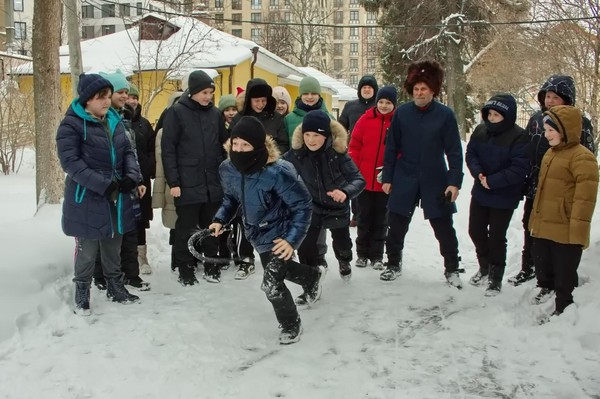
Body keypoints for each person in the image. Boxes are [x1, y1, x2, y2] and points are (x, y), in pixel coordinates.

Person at [209, 116, 326, 345]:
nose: (239, 150)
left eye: (246, 145)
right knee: (285, 271)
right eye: (235, 144)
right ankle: (312, 277)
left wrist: (291, 240)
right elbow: (231, 198)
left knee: (272, 282)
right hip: (257, 232)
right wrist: (220, 219)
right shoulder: (227, 168)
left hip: (282, 231)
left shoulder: (278, 171)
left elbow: (302, 206)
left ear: (258, 146)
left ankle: (291, 324)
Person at [56, 73, 141, 315]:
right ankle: (82, 290)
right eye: (100, 97)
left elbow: (127, 153)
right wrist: (103, 185)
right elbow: (71, 163)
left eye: (107, 96)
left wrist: (131, 177)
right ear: (86, 100)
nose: (106, 101)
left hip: (116, 195)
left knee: (114, 241)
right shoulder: (71, 124)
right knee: (88, 248)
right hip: (87, 196)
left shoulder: (114, 120)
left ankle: (115, 285)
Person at [380, 60, 464, 287]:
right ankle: (393, 263)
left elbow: (454, 152)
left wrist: (454, 182)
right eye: (416, 89)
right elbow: (391, 148)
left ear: (433, 90)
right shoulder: (402, 114)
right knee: (396, 223)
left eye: (424, 89)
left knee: (443, 226)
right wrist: (387, 177)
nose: (419, 93)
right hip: (404, 175)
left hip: (434, 177)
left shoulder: (445, 115)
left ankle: (452, 268)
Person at [508, 75, 596, 286]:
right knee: (531, 225)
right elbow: (525, 149)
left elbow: (587, 154)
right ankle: (529, 267)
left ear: (566, 99)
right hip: (536, 183)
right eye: (547, 96)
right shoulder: (537, 119)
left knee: (557, 233)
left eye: (555, 97)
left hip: (562, 188)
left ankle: (558, 275)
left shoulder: (580, 122)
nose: (549, 101)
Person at [284, 110, 365, 296]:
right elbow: (278, 170)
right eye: (307, 135)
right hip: (311, 208)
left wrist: (345, 192)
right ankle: (310, 285)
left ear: (326, 136)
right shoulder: (296, 155)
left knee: (342, 244)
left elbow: (358, 179)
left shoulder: (338, 154)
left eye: (316, 135)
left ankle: (344, 261)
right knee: (306, 248)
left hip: (336, 207)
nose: (311, 140)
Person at [528, 105, 598, 316]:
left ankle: (564, 306)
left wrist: (577, 233)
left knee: (564, 271)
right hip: (545, 222)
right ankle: (547, 287)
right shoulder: (550, 153)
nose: (546, 134)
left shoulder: (582, 157)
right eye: (545, 130)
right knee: (541, 259)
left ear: (566, 130)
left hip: (566, 227)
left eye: (551, 130)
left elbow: (585, 199)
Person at [162, 70, 229, 285]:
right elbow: (168, 149)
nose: (207, 96)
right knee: (186, 229)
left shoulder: (215, 114)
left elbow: (223, 144)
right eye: (203, 92)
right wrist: (174, 182)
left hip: (212, 183)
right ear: (192, 92)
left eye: (210, 92)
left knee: (212, 228)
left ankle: (211, 265)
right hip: (187, 183)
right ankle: (185, 267)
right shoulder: (176, 113)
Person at [465, 94, 529, 296]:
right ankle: (484, 266)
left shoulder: (519, 136)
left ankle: (495, 276)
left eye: (496, 115)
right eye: (489, 114)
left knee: (497, 237)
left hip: (504, 195)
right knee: (475, 230)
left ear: (507, 117)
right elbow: (471, 153)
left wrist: (493, 181)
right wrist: (478, 173)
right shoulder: (481, 130)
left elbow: (519, 169)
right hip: (481, 190)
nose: (491, 118)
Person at [92, 70, 149, 291]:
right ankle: (101, 275)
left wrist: (138, 179)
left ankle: (131, 274)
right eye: (121, 91)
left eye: (127, 92)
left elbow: (131, 153)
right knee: (105, 230)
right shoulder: (102, 118)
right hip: (107, 184)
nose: (125, 96)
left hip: (128, 184)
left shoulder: (125, 118)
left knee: (130, 230)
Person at [284, 75, 333, 267]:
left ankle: (319, 255)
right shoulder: (290, 119)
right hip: (295, 174)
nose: (310, 97)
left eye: (314, 93)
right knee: (297, 214)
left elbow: (335, 145)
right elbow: (282, 145)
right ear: (300, 94)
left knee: (317, 216)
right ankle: (301, 251)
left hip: (319, 175)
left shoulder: (328, 117)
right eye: (306, 93)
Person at [348, 86, 397, 270]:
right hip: (364, 180)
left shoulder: (397, 122)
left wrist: (391, 172)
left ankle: (377, 254)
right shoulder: (365, 119)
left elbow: (400, 150)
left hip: (384, 182)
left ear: (394, 104)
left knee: (381, 220)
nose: (384, 106)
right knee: (363, 217)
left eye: (388, 103)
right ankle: (362, 254)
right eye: (381, 102)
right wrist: (356, 169)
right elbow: (354, 144)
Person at [340, 75, 379, 228]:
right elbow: (341, 127)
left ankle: (376, 214)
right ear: (359, 90)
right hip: (354, 152)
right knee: (355, 182)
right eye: (364, 87)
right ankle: (356, 214)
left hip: (374, 152)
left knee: (374, 184)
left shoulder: (380, 105)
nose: (367, 90)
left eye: (370, 87)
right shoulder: (350, 106)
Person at [126, 83, 156, 276]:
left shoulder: (144, 124)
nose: (132, 101)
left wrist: (151, 166)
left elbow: (153, 148)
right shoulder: (119, 122)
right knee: (127, 218)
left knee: (141, 219)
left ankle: (142, 256)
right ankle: (127, 258)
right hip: (127, 180)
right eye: (129, 97)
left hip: (143, 180)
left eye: (135, 97)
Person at [152, 91, 183, 272]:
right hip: (172, 184)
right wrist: (159, 193)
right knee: (175, 224)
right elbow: (161, 167)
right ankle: (177, 260)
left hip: (191, 184)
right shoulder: (163, 133)